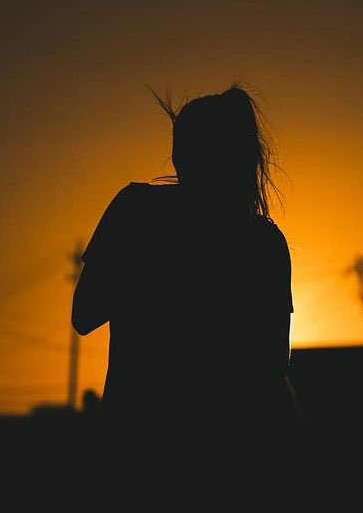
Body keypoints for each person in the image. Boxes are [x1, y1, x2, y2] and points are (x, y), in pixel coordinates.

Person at [71, 85, 304, 509]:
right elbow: (272, 365)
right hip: (233, 465)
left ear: (183, 154)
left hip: (136, 456)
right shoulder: (264, 241)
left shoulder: (135, 210)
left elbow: (84, 313)